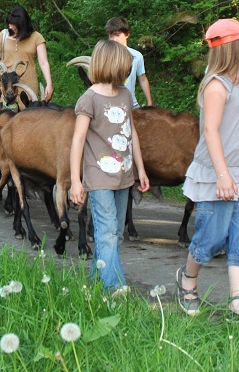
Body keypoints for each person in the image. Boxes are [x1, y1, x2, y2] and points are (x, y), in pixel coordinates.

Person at [176, 19, 239, 325]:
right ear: (234, 47)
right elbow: (211, 131)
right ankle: (187, 281)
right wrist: (222, 175)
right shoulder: (216, 85)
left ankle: (238, 305)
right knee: (212, 237)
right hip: (219, 173)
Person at [69, 39, 150, 295]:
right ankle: (114, 287)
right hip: (99, 177)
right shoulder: (89, 99)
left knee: (115, 232)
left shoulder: (125, 95)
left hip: (124, 177)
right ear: (112, 65)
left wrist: (141, 168)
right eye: (126, 67)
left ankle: (94, 283)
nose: (128, 73)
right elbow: (78, 141)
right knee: (106, 232)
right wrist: (75, 181)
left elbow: (131, 133)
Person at [0, 6, 54, 101]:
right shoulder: (3, 35)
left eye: (13, 24)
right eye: (9, 24)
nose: (10, 26)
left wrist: (49, 83)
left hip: (28, 85)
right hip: (7, 86)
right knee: (6, 114)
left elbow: (43, 62)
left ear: (22, 23)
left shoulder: (37, 37)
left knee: (27, 114)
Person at [105, 17, 153, 107]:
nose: (114, 39)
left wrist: (149, 103)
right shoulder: (105, 56)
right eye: (111, 36)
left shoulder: (136, 56)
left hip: (131, 104)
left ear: (127, 34)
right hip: (110, 105)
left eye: (118, 35)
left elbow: (142, 78)